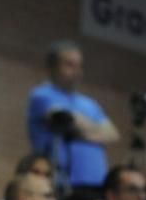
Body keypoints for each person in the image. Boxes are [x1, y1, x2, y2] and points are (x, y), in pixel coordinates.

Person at [26, 40, 118, 190]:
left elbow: (112, 134)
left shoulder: (89, 103)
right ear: (52, 67)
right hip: (62, 181)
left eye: (79, 66)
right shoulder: (42, 95)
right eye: (69, 65)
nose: (77, 71)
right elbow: (66, 120)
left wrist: (79, 133)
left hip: (96, 182)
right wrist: (96, 130)